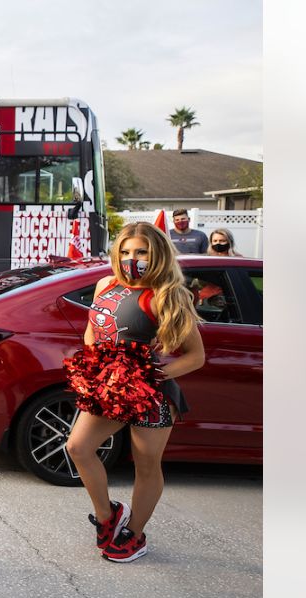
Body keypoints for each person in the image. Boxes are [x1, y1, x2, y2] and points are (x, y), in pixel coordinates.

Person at [65, 222, 206, 562]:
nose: (132, 258)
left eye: (141, 251)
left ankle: (135, 533)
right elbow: (91, 332)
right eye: (126, 251)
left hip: (152, 397)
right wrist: (101, 366)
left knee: (146, 466)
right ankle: (106, 516)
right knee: (78, 447)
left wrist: (149, 375)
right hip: (109, 388)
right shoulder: (104, 284)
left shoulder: (166, 295)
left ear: (156, 253)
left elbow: (195, 357)